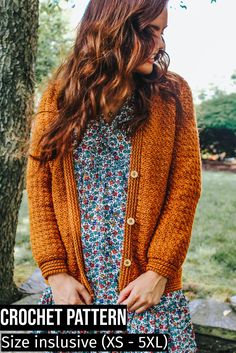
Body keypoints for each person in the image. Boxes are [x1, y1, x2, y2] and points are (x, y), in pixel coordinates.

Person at [26, 0, 202, 352]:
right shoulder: (60, 97)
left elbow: (185, 188)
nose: (161, 44)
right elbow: (39, 188)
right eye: (150, 31)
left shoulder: (172, 95)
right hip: (74, 292)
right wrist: (55, 273)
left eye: (163, 33)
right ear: (114, 28)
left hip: (145, 292)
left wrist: (159, 271)